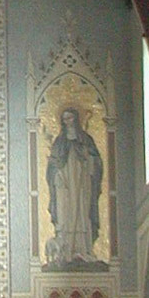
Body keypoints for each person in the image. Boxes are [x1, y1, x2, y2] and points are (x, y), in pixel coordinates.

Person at [46, 106, 104, 267]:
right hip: (64, 185)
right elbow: (52, 166)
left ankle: (84, 249)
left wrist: (90, 162)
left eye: (70, 118)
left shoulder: (86, 139)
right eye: (65, 119)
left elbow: (96, 161)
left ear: (76, 120)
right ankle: (66, 251)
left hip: (82, 182)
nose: (68, 122)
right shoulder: (59, 142)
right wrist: (56, 172)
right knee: (66, 213)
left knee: (82, 212)